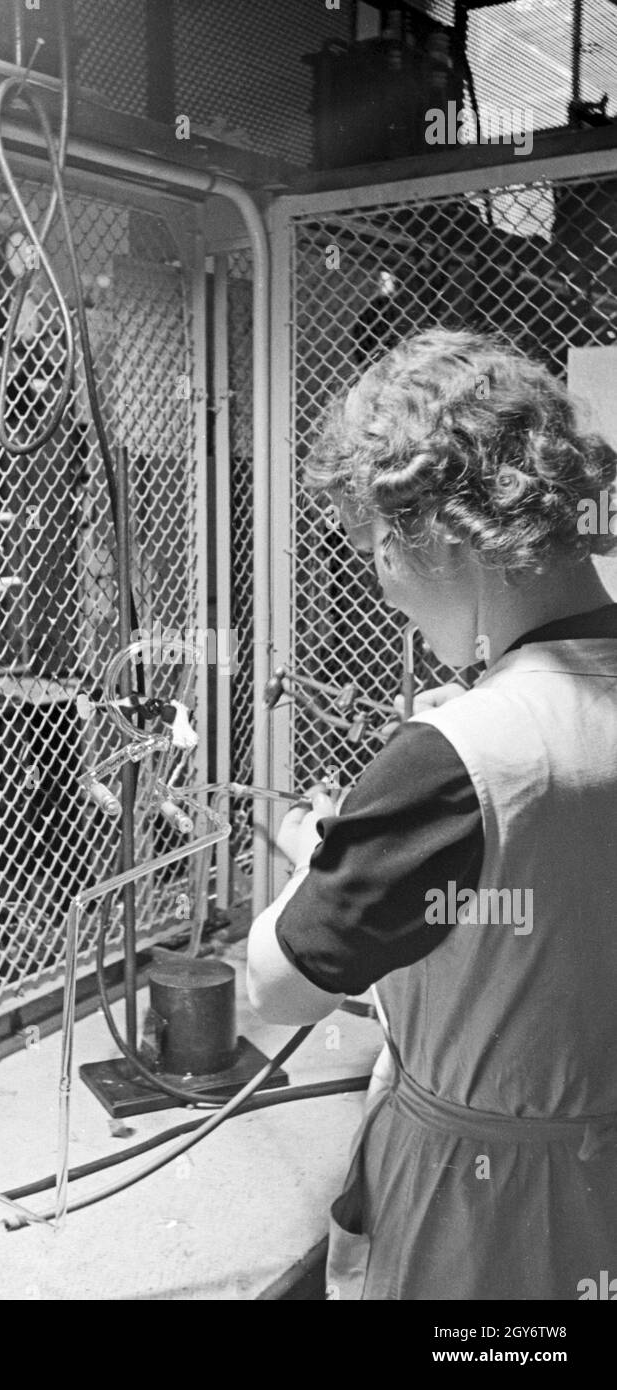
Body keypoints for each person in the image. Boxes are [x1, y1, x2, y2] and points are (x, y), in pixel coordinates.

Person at [247, 328, 617, 1300]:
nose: (385, 585)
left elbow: (277, 982)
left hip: (487, 1220)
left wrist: (319, 847)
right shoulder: (500, 734)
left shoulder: (452, 764)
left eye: (378, 549)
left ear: (447, 534)